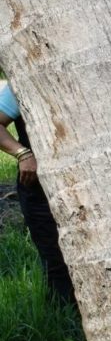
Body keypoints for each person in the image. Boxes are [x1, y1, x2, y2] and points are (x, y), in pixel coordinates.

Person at [0, 81, 75, 305]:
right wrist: (23, 154)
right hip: (39, 185)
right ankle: (64, 322)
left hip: (85, 183)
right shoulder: (25, 81)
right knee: (55, 259)